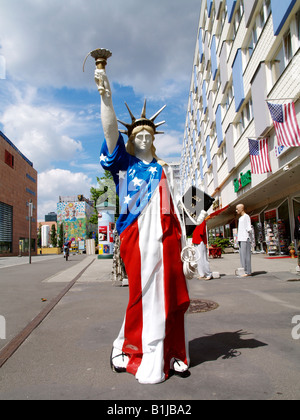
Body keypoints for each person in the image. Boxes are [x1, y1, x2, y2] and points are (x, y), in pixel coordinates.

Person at [94, 66, 190, 384]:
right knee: (142, 294)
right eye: (139, 135)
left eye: (149, 135)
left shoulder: (164, 169)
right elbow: (110, 135)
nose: (145, 138)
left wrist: (191, 236)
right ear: (132, 140)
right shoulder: (126, 165)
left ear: (155, 139)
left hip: (166, 239)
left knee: (169, 295)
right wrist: (106, 98)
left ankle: (174, 352)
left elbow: (179, 204)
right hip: (136, 237)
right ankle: (130, 348)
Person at [192, 214, 212, 280]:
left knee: (203, 258)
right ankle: (202, 273)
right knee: (198, 259)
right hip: (196, 241)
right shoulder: (197, 222)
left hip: (200, 241)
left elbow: (201, 232)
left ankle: (208, 273)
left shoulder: (202, 221)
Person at [236, 203, 252, 276]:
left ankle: (248, 271)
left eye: (237, 209)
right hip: (240, 238)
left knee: (246, 256)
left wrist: (251, 238)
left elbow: (249, 228)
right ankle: (244, 270)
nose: (236, 211)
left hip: (245, 238)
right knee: (242, 256)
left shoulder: (246, 216)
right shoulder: (240, 218)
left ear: (242, 209)